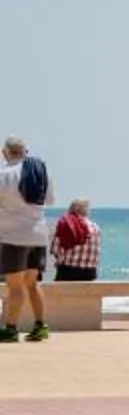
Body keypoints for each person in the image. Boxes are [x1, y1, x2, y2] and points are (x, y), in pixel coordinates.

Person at [0, 137, 50, 343]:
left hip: (13, 236)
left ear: (5, 152)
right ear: (25, 151)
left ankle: (10, 329)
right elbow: (50, 199)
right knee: (32, 283)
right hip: (38, 235)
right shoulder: (40, 172)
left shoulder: (4, 174)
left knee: (15, 287)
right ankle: (40, 326)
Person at [52, 196, 100, 283]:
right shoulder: (95, 227)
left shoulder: (66, 224)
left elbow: (56, 250)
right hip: (90, 274)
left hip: (69, 273)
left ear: (71, 209)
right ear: (86, 211)